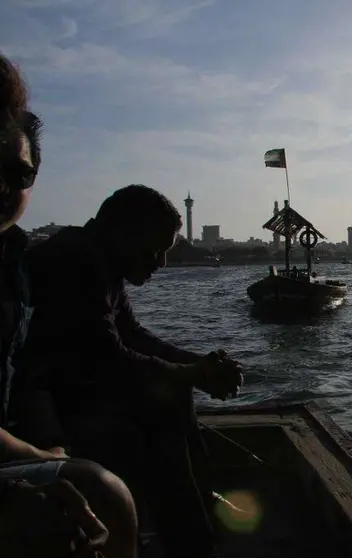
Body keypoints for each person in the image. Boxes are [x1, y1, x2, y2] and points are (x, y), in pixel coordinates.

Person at [16, 184, 245, 558]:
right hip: (41, 409)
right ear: (121, 233)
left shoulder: (99, 260)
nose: (161, 263)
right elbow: (108, 357)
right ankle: (191, 535)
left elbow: (132, 334)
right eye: (156, 250)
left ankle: (196, 510)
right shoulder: (76, 262)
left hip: (69, 392)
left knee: (172, 392)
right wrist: (194, 374)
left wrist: (197, 364)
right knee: (167, 398)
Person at [0, 52, 138, 557]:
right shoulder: (75, 260)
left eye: (18, 177)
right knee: (103, 491)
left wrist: (45, 441)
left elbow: (24, 370)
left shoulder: (14, 260)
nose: (5, 188)